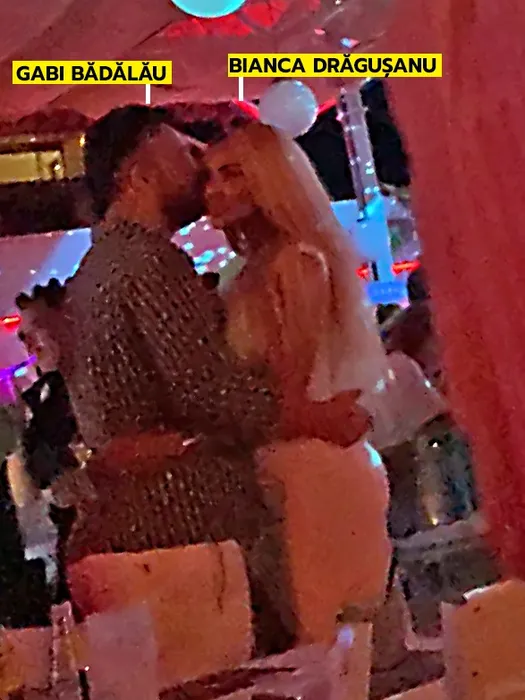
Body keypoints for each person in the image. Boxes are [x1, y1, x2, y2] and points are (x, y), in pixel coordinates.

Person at [18, 106, 370, 658]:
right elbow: (213, 395)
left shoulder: (98, 267)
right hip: (184, 526)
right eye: (185, 151)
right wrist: (313, 419)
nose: (201, 163)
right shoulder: (149, 262)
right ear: (140, 173)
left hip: (138, 532)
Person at [205, 122, 392, 644]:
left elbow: (293, 393)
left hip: (313, 469)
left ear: (269, 179)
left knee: (326, 642)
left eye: (232, 174)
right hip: (288, 466)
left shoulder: (297, 263)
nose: (214, 190)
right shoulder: (250, 271)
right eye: (209, 177)